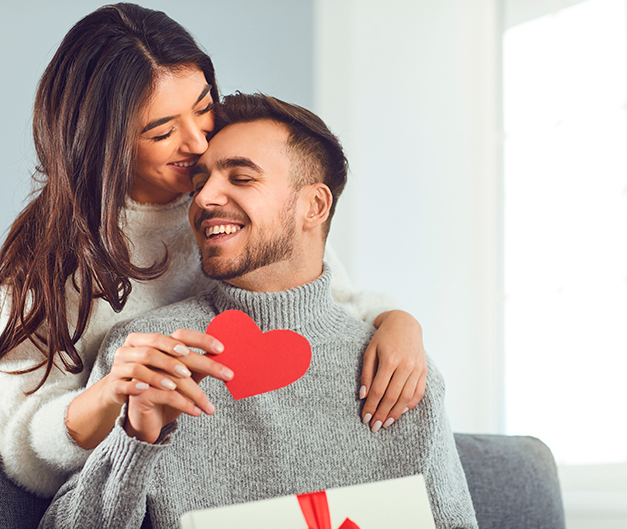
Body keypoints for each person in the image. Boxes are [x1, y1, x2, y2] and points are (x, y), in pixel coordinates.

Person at [0, 3, 428, 498]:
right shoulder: (53, 258)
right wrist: (112, 395)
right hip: (135, 483)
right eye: (162, 131)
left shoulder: (238, 205)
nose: (198, 140)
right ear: (104, 142)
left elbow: (325, 303)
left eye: (204, 105)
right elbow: (23, 450)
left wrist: (398, 321)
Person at [39, 93, 478, 529]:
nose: (205, 197)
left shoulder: (400, 369)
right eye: (199, 183)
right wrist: (136, 439)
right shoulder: (148, 355)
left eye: (242, 178)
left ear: (315, 206)